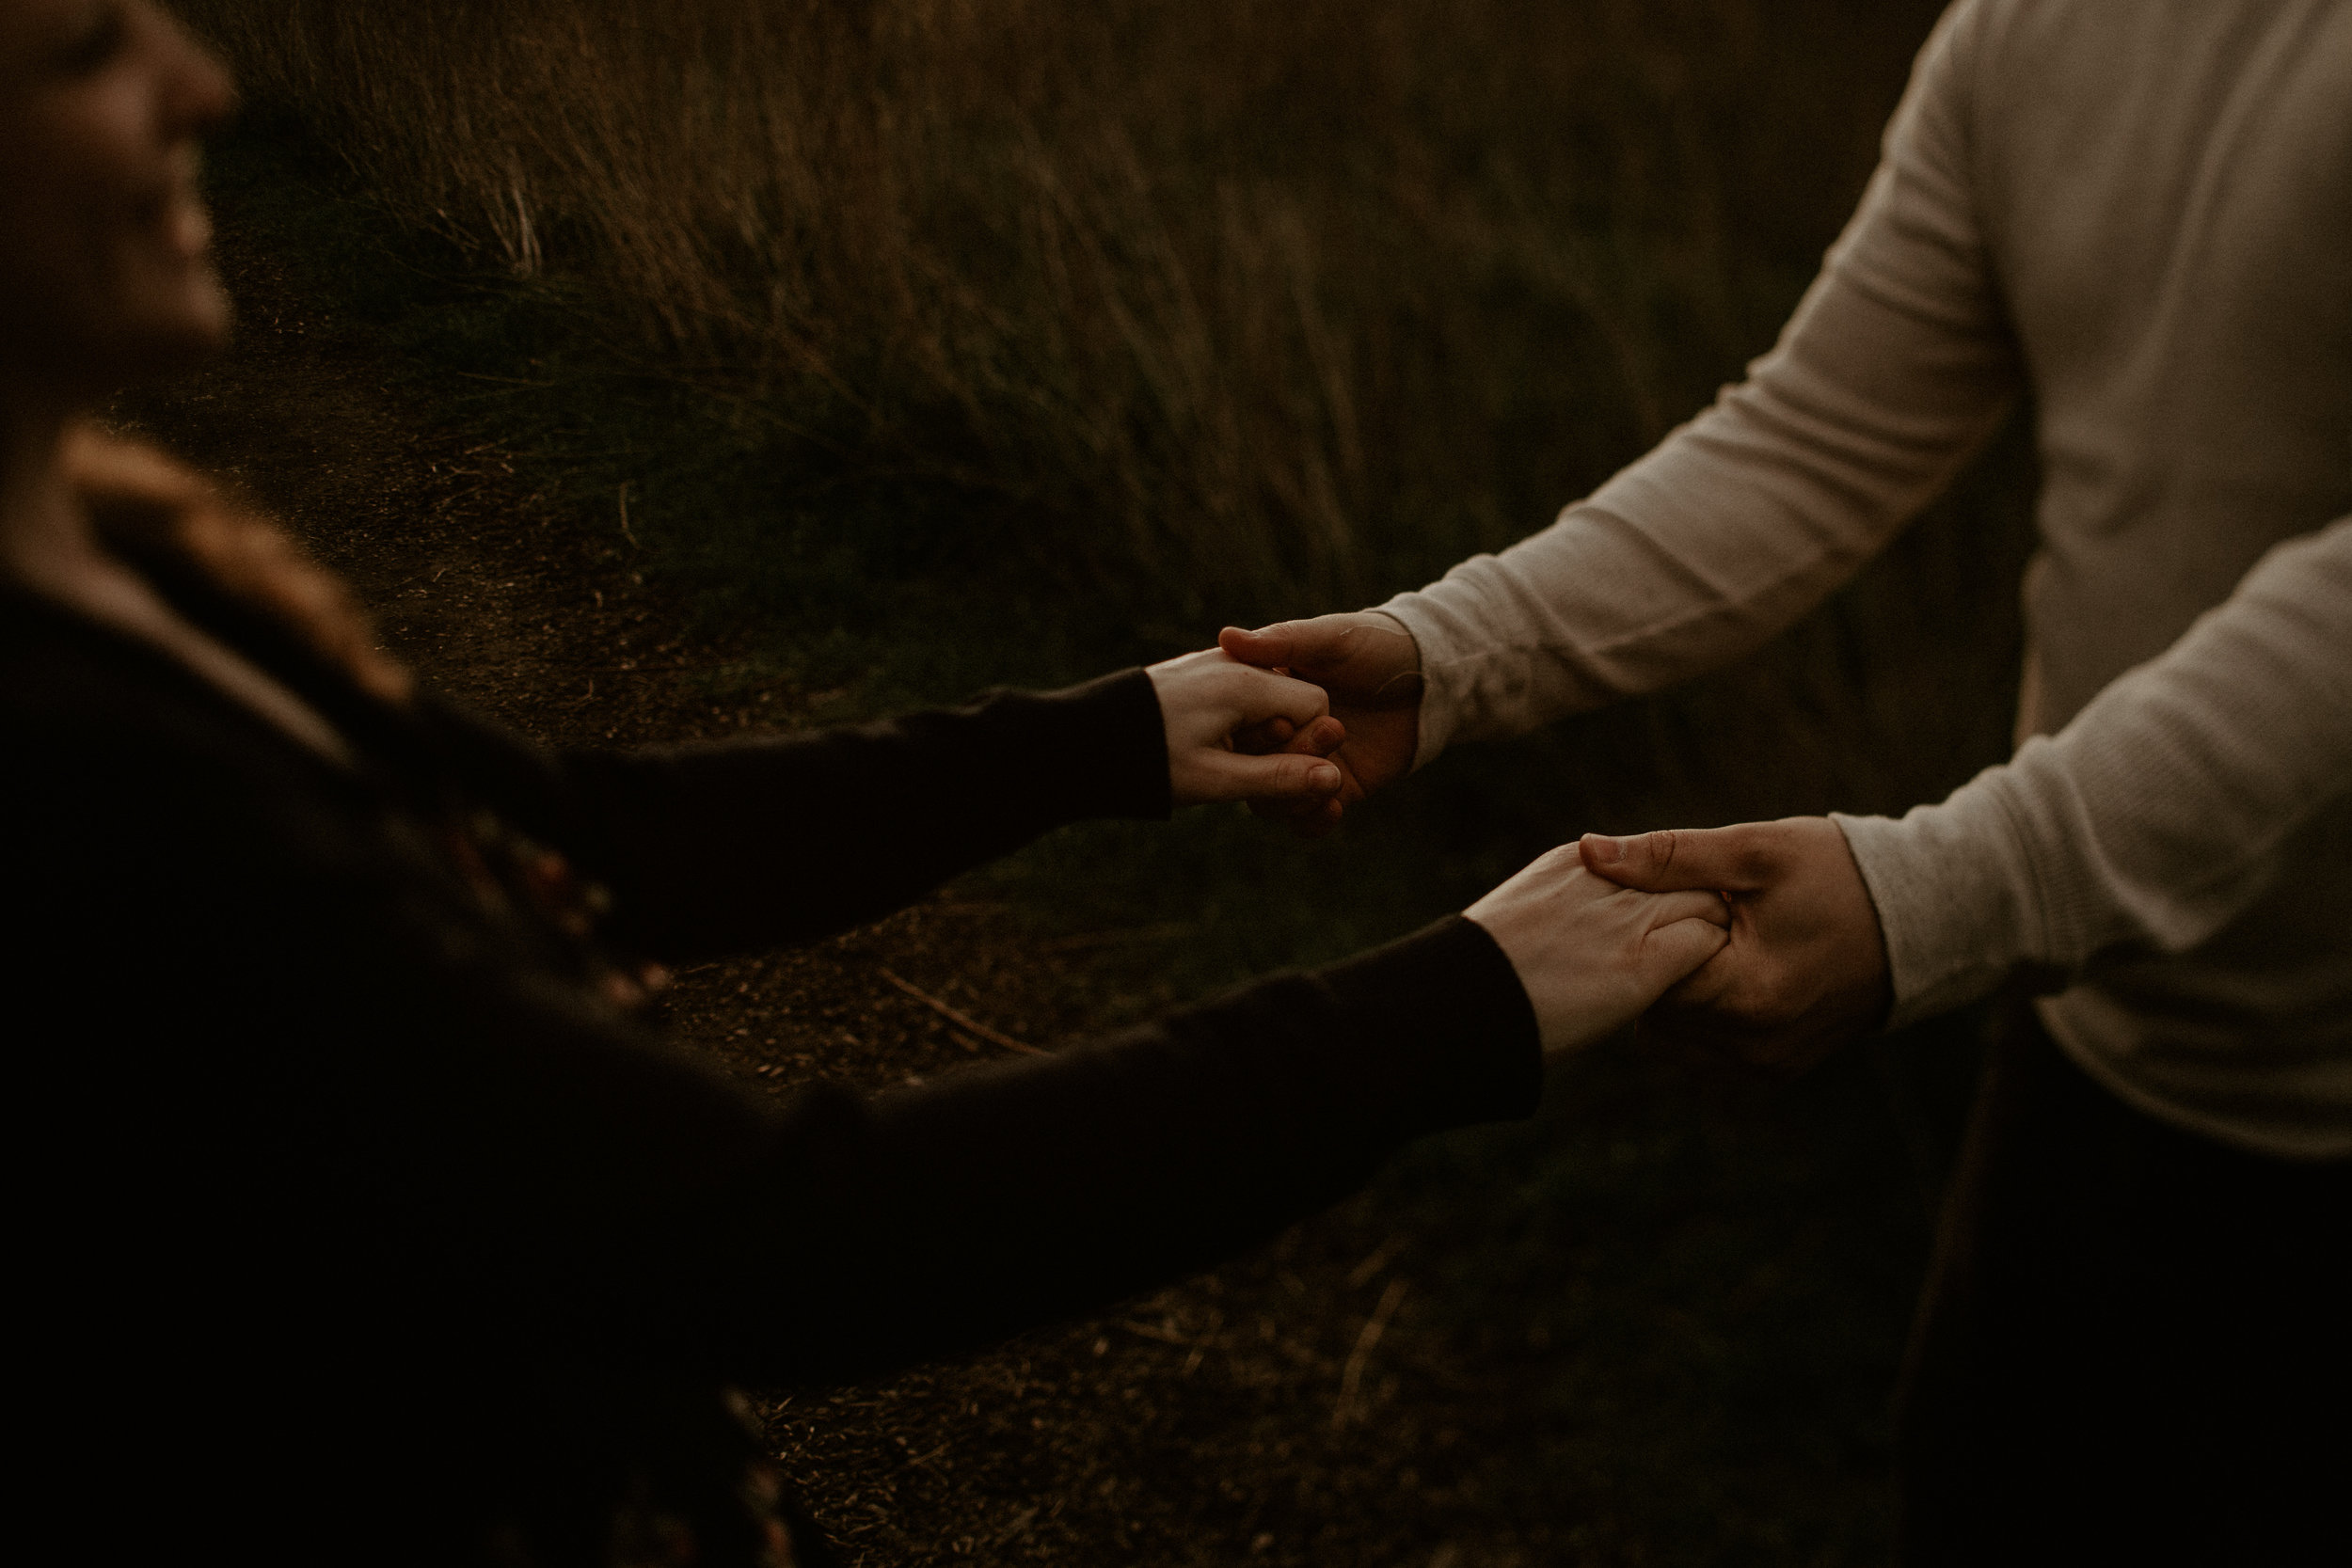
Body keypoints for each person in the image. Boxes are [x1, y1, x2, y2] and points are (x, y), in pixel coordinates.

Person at [0, 4, 1733, 1563]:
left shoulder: (138, 579)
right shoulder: (71, 775)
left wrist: (1109, 735)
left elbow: (588, 840)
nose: (202, 80)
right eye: (87, 46)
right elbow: (777, 1242)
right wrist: (1463, 1004)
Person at [1220, 0, 2350, 1560]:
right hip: (2097, 1066)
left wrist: (1940, 896)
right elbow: (1813, 439)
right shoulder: (2027, 31)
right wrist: (1454, 649)